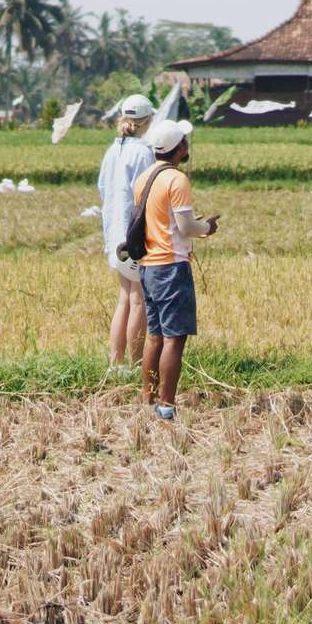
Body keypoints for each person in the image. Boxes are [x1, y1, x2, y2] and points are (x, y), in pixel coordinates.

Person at [135, 117, 219, 421]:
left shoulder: (144, 178)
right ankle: (167, 406)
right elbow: (185, 227)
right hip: (171, 266)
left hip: (148, 266)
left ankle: (148, 399)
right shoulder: (176, 180)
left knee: (155, 336)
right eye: (185, 140)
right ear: (178, 148)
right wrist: (207, 227)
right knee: (174, 338)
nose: (187, 144)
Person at [97, 94, 156, 370]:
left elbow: (102, 190)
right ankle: (136, 364)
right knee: (139, 299)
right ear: (147, 121)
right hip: (135, 234)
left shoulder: (113, 150)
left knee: (124, 299)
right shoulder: (143, 152)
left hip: (114, 233)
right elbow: (147, 194)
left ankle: (116, 363)